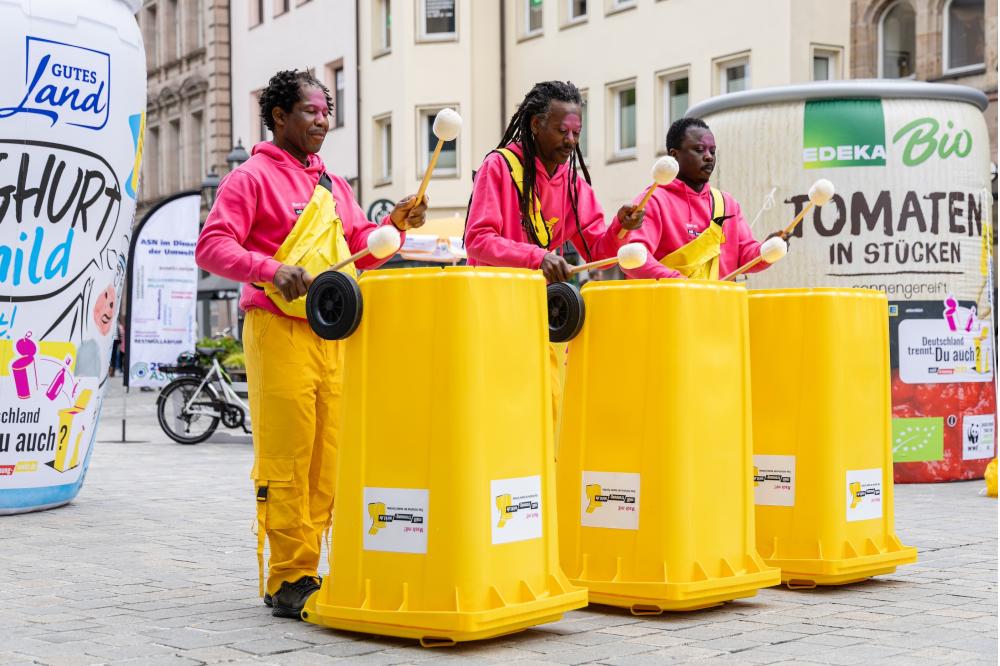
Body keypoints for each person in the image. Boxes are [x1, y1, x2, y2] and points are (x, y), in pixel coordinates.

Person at [195, 69, 426, 619]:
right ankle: (288, 576)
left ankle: (315, 563)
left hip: (332, 331)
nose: (323, 120)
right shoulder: (250, 177)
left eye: (327, 111)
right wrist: (271, 269)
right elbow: (211, 247)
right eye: (311, 111)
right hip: (277, 329)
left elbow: (356, 248)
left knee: (331, 459)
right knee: (289, 456)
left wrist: (393, 225)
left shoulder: (333, 184)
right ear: (279, 116)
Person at [464, 80, 644, 422]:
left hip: (538, 319)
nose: (571, 141)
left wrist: (620, 226)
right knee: (496, 416)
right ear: (536, 124)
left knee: (546, 413)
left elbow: (596, 251)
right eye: (563, 131)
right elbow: (478, 240)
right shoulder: (499, 167)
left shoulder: (574, 184)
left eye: (577, 132)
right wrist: (538, 257)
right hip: (491, 315)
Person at [621, 117, 785, 280]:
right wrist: (679, 283)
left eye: (712, 151)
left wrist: (765, 251)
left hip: (720, 304)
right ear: (674, 155)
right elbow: (633, 259)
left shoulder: (727, 204)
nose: (709, 157)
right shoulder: (652, 200)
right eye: (699, 150)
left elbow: (743, 254)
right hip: (669, 304)